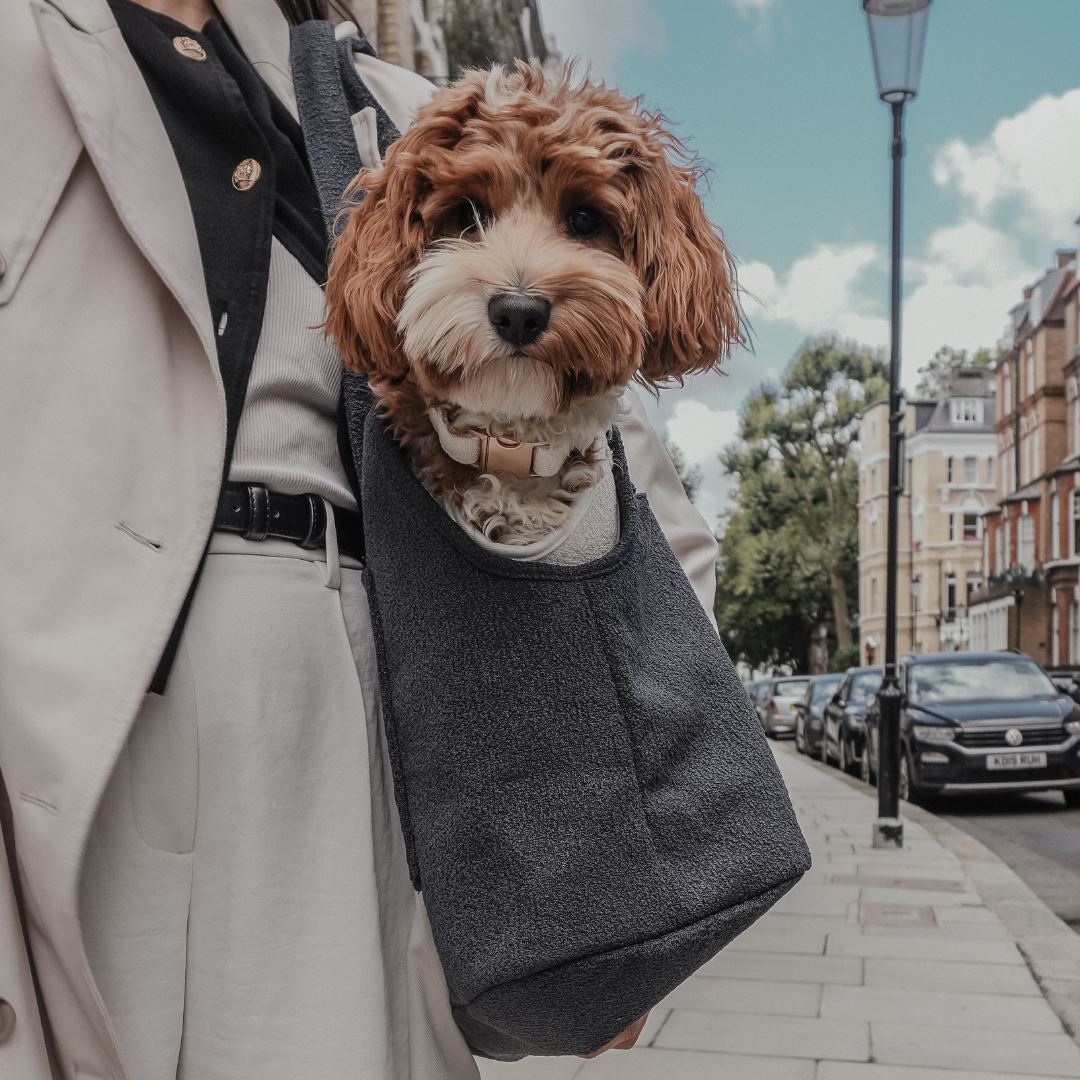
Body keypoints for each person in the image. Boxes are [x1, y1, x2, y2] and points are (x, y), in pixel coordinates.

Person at [0, 0, 721, 1077]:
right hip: (65, 687)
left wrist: (604, 873)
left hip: (365, 678)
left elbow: (634, 499)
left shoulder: (382, 103)